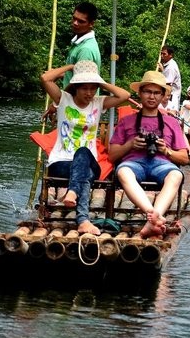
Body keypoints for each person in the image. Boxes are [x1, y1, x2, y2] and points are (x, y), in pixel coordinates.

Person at [39, 60, 130, 235]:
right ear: (75, 87)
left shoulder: (99, 102)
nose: (89, 93)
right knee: (84, 175)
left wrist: (100, 82)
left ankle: (72, 192)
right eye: (84, 88)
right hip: (61, 163)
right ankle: (83, 220)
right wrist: (71, 67)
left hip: (90, 162)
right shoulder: (63, 99)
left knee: (82, 152)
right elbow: (45, 78)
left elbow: (124, 95)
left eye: (93, 88)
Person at [108, 70, 189, 238]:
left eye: (156, 93)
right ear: (140, 93)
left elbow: (184, 158)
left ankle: (152, 218)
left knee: (176, 174)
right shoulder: (126, 121)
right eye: (147, 92)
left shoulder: (172, 122)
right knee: (122, 172)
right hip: (133, 163)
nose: (151, 97)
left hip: (162, 163)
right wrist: (130, 145)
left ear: (162, 96)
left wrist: (166, 150)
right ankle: (153, 215)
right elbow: (112, 156)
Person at [62, 1, 102, 88]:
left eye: (81, 21)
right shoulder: (78, 43)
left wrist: (60, 99)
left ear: (91, 24)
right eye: (74, 18)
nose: (75, 23)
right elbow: (75, 73)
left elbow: (82, 84)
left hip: (76, 101)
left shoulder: (85, 49)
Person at [159, 44, 182, 113]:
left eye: (164, 54)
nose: (162, 56)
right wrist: (162, 70)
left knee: (170, 114)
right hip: (168, 95)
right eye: (161, 54)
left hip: (172, 95)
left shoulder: (171, 67)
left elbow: (167, 84)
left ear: (170, 55)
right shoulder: (167, 65)